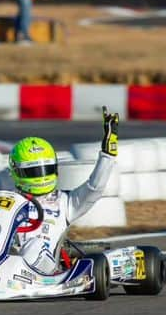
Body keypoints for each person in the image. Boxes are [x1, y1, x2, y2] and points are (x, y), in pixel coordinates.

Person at [6, 107, 118, 274]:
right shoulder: (8, 200)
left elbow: (94, 188)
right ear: (16, 172)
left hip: (42, 265)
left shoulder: (65, 202)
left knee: (34, 246)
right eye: (34, 172)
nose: (41, 177)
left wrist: (108, 154)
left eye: (46, 170)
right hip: (4, 262)